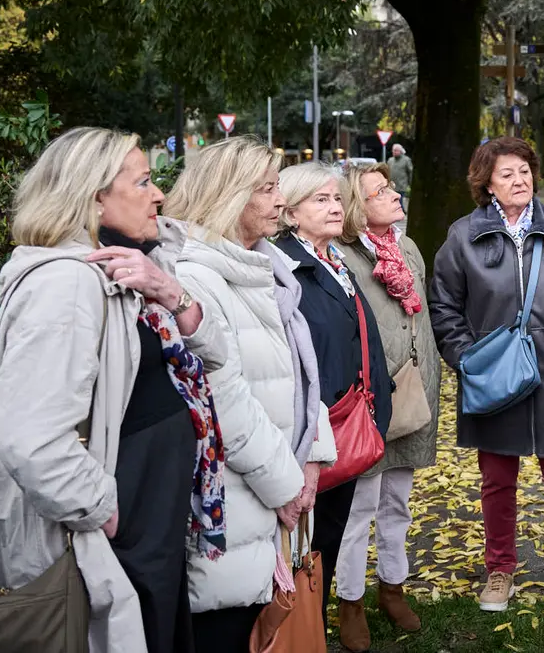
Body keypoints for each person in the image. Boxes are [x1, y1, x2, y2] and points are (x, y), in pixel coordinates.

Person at [0, 127, 229, 653]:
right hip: (113, 532)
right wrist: (102, 510)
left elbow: (215, 355)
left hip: (146, 525)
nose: (160, 194)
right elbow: (28, 437)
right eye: (143, 181)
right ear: (94, 197)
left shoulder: (130, 265)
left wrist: (167, 289)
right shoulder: (67, 284)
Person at [164, 137, 338, 650]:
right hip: (235, 506)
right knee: (230, 631)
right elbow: (223, 403)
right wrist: (285, 485)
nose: (280, 200)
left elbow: (299, 373)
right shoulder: (196, 279)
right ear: (229, 194)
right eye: (267, 189)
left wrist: (314, 455)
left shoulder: (263, 267)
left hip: (272, 492)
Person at [429, 137, 544, 625]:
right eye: (506, 174)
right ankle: (499, 570)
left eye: (524, 171)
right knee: (497, 480)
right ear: (487, 183)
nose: (519, 180)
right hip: (492, 374)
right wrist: (467, 359)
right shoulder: (463, 236)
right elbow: (444, 306)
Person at [272, 162, 395, 624]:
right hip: (311, 433)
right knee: (301, 545)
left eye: (338, 198)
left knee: (326, 538)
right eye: (320, 200)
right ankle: (294, 632)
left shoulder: (334, 260)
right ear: (291, 212)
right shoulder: (285, 267)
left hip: (348, 425)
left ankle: (313, 628)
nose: (335, 207)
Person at [333, 163, 442, 651]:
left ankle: (392, 588)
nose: (395, 194)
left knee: (398, 501)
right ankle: (350, 600)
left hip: (413, 390)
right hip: (371, 398)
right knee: (360, 506)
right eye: (381, 191)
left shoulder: (407, 246)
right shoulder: (343, 256)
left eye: (391, 187)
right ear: (358, 207)